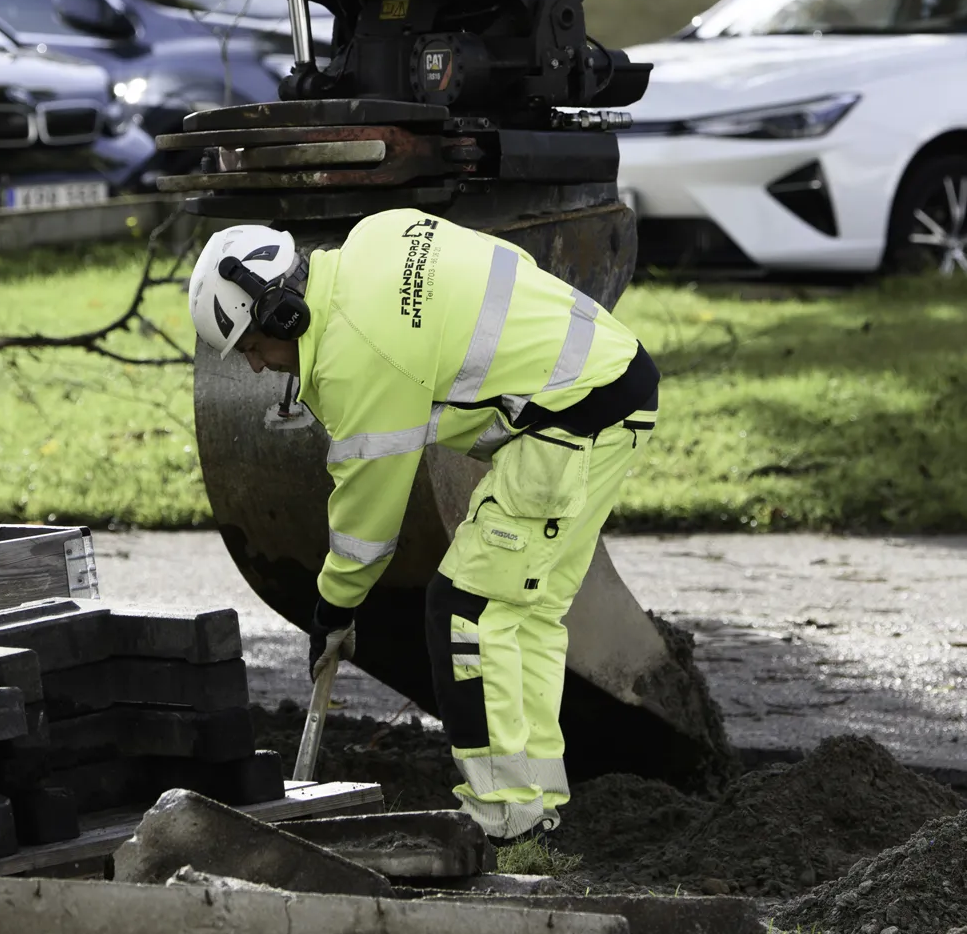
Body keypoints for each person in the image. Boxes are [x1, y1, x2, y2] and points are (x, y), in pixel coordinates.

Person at [186, 208, 660, 840]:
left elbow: (368, 526)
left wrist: (331, 610)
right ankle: (536, 806)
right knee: (525, 611)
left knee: (465, 610)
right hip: (609, 383)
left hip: (571, 419)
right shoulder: (377, 235)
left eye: (252, 347)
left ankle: (504, 822)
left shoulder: (359, 356)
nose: (255, 366)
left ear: (283, 313)